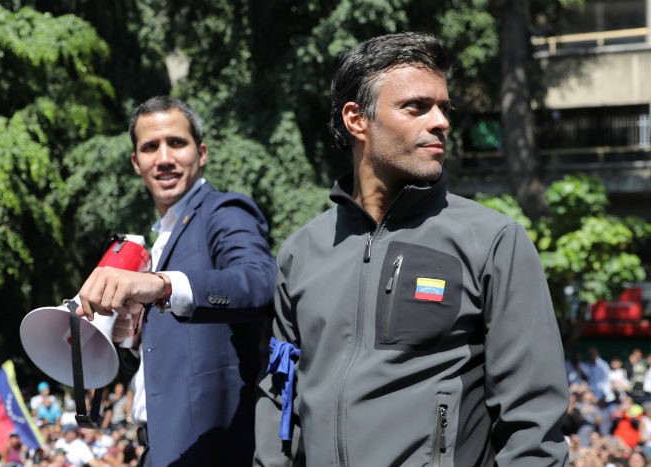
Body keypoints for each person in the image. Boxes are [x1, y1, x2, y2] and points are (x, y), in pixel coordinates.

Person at [253, 32, 569, 466]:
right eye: (416, 107)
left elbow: (533, 421)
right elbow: (279, 401)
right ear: (356, 119)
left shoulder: (493, 242)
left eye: (444, 108)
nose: (440, 121)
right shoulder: (300, 253)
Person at [74, 96, 276, 466]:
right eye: (150, 147)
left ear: (202, 153)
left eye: (176, 143)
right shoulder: (160, 238)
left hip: (213, 450)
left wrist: (162, 284)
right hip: (159, 450)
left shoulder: (225, 211)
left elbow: (259, 282)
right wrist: (133, 336)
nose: (164, 158)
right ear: (136, 162)